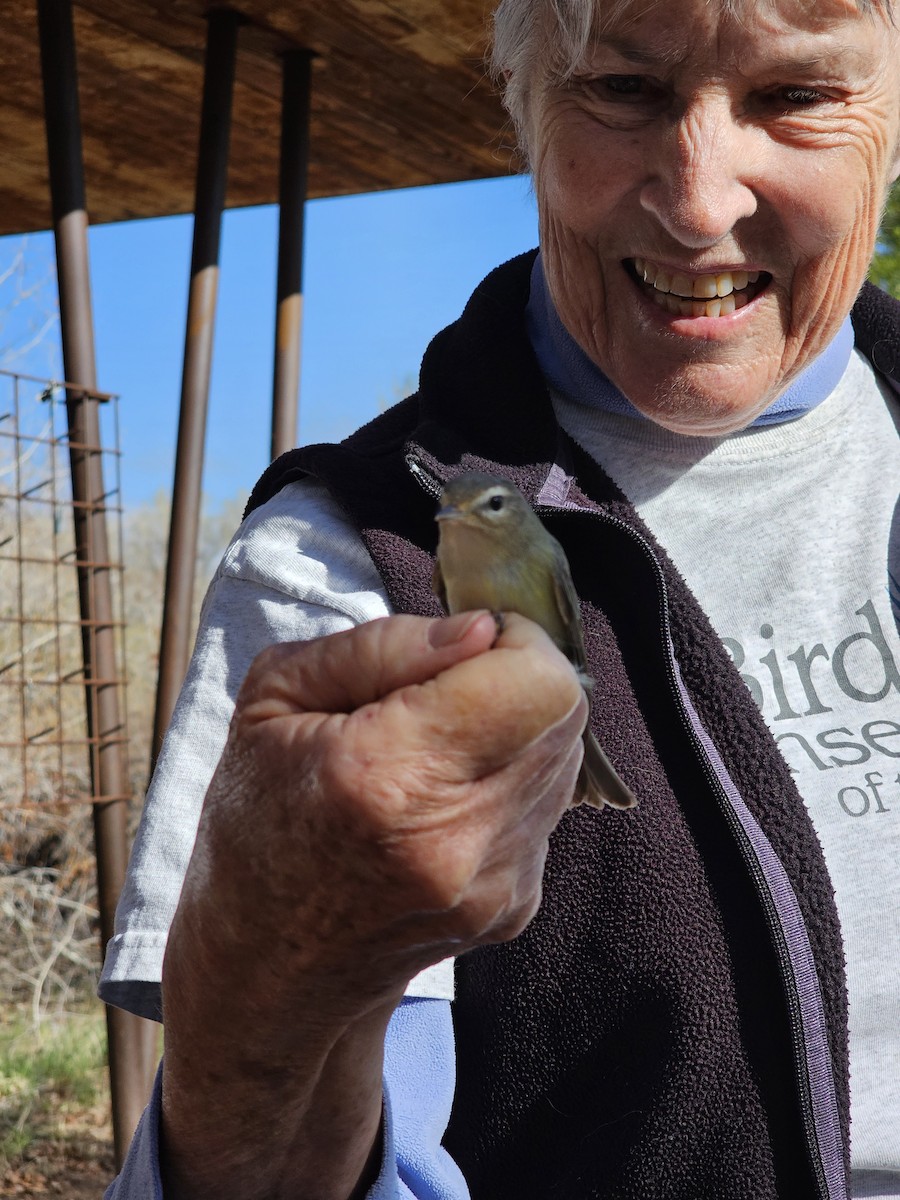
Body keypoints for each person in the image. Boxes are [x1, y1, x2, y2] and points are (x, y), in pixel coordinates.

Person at [101, 0, 900, 1195]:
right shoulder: (338, 568)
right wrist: (272, 992)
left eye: (794, 96)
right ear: (523, 108)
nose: (698, 207)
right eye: (622, 90)